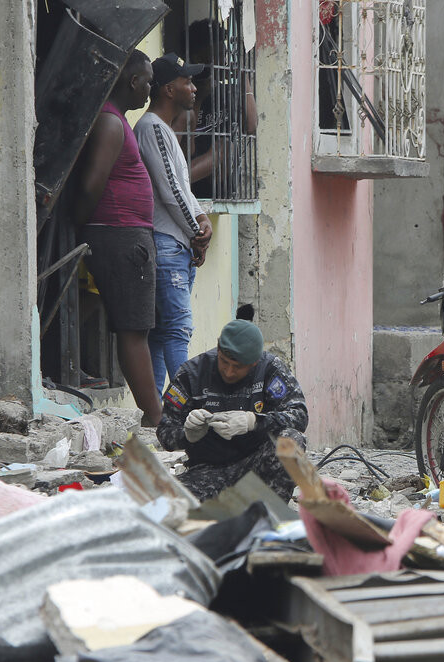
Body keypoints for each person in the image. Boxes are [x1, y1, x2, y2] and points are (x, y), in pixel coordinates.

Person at [71, 49, 162, 426]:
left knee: (131, 324)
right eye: (149, 81)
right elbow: (92, 183)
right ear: (133, 81)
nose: (150, 89)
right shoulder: (110, 122)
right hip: (121, 235)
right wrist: (77, 223)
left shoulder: (116, 119)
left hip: (124, 233)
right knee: (133, 327)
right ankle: (156, 417)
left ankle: (154, 413)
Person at [156, 320, 309, 502]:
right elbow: (165, 432)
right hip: (208, 470)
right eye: (224, 362)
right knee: (164, 504)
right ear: (218, 349)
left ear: (254, 363)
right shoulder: (191, 375)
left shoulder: (269, 369)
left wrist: (254, 421)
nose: (229, 372)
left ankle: (269, 514)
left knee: (291, 440)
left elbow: (299, 415)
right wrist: (187, 435)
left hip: (258, 466)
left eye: (238, 367)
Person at [134, 53, 214, 394]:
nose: (193, 88)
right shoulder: (152, 127)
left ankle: (157, 410)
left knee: (162, 330)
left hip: (174, 243)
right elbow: (170, 190)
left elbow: (182, 187)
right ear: (169, 89)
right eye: (187, 82)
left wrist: (202, 220)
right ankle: (187, 405)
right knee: (178, 328)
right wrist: (197, 230)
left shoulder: (163, 130)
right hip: (167, 243)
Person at [174, 19, 257, 199]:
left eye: (225, 53)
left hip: (221, 189)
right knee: (224, 147)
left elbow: (251, 126)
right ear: (199, 58)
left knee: (226, 146)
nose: (224, 60)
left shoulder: (225, 92)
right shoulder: (184, 95)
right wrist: (198, 99)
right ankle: (176, 183)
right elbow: (188, 149)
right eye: (219, 54)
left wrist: (244, 80)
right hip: (194, 189)